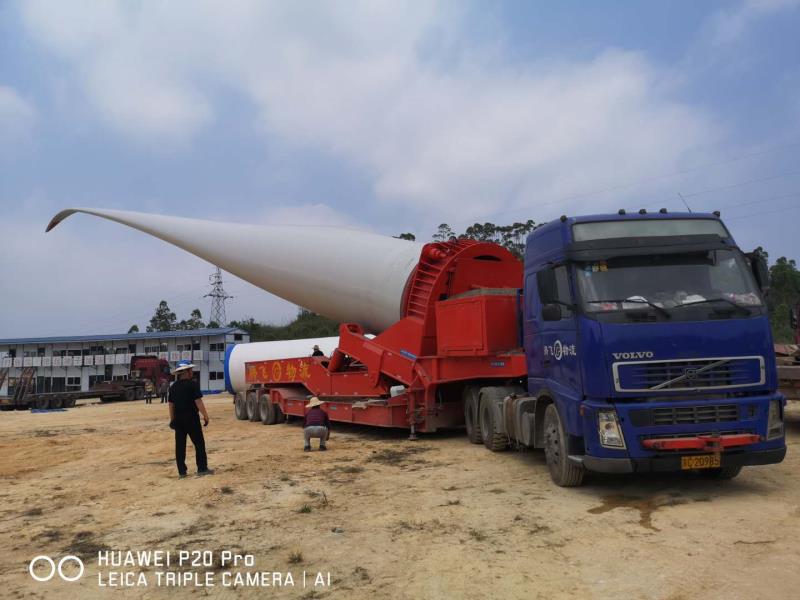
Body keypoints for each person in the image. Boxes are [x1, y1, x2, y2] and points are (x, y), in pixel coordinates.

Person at [168, 360, 213, 478]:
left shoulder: (173, 387)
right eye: (190, 370)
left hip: (178, 420)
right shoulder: (192, 385)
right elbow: (198, 401)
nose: (192, 372)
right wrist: (205, 416)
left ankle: (182, 472)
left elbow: (171, 405)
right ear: (186, 372)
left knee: (180, 446)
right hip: (192, 419)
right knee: (199, 443)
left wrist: (172, 419)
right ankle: (202, 468)